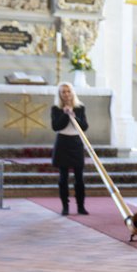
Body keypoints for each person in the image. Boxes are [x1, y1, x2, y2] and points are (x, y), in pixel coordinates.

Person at [51, 81, 88, 216]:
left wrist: (73, 115)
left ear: (72, 92)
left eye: (68, 91)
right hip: (62, 143)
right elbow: (56, 127)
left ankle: (81, 206)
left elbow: (84, 126)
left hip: (76, 142)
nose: (66, 94)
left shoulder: (80, 107)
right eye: (63, 92)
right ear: (60, 95)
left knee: (79, 178)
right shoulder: (56, 108)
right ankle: (65, 206)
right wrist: (65, 114)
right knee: (63, 178)